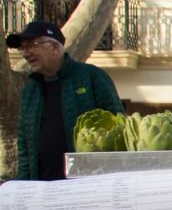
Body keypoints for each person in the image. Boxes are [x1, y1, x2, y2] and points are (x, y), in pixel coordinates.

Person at [6, 21, 124, 181]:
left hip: (85, 186)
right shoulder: (29, 91)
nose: (26, 53)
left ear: (55, 47)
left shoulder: (92, 77)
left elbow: (119, 126)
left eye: (32, 45)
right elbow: (24, 148)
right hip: (42, 188)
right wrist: (25, 186)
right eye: (22, 48)